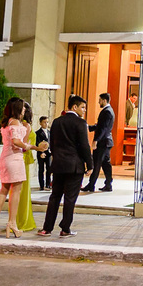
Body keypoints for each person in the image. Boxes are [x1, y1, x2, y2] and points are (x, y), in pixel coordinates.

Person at [38, 95, 93, 238]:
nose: (84, 110)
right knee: (70, 199)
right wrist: (90, 164)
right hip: (74, 166)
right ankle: (65, 229)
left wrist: (56, 159)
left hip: (59, 165)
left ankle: (47, 228)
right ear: (74, 107)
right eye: (82, 107)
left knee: (55, 197)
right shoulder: (80, 123)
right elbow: (84, 146)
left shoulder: (57, 122)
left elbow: (53, 143)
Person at [0, 97, 33, 238]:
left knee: (4, 190)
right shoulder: (16, 123)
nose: (24, 109)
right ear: (17, 108)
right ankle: (12, 223)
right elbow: (16, 142)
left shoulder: (7, 122)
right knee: (16, 191)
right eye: (23, 107)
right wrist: (28, 146)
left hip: (5, 158)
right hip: (14, 159)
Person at [83, 93, 115, 192]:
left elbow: (103, 129)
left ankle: (91, 185)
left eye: (100, 100)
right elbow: (100, 126)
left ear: (104, 100)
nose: (98, 102)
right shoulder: (109, 111)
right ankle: (108, 184)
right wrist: (89, 127)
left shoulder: (107, 112)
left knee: (97, 163)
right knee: (106, 164)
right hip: (107, 141)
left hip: (103, 142)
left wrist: (95, 140)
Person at [16, 106, 36, 233]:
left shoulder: (20, 125)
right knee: (22, 191)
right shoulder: (26, 125)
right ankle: (21, 221)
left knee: (21, 191)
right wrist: (37, 148)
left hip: (23, 159)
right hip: (23, 159)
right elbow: (24, 146)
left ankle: (18, 220)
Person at [34, 116, 51, 191]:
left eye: (47, 122)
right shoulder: (37, 133)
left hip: (48, 153)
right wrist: (41, 152)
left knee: (49, 168)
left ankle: (48, 184)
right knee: (41, 169)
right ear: (40, 123)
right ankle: (41, 185)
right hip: (41, 153)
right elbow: (37, 143)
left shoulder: (49, 132)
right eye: (44, 122)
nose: (46, 124)